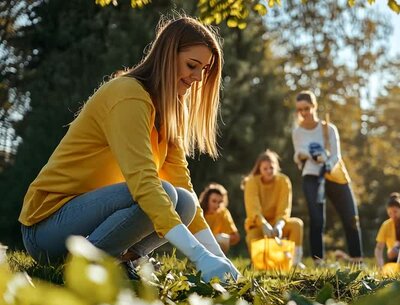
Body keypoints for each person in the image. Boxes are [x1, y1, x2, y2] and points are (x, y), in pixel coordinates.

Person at [18, 16, 239, 282]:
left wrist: (219, 259)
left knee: (186, 202)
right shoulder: (128, 95)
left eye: (204, 70)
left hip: (90, 225)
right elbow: (144, 183)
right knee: (164, 192)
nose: (197, 77)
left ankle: (119, 262)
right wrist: (199, 257)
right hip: (46, 228)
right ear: (167, 56)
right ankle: (86, 267)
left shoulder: (172, 108)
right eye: (192, 65)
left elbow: (182, 181)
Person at [292, 91, 363, 264]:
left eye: (306, 108)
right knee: (317, 219)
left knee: (351, 217)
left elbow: (337, 155)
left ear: (314, 106)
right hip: (311, 177)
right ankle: (318, 261)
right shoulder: (298, 132)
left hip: (334, 176)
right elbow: (298, 154)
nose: (303, 112)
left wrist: (327, 165)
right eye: (300, 109)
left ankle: (357, 259)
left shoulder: (328, 129)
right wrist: (309, 155)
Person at [242, 150, 304, 266]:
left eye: (271, 167)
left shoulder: (284, 181)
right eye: (265, 168)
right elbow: (253, 208)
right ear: (259, 169)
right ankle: (258, 261)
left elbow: (284, 207)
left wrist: (279, 224)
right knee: (251, 236)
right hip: (258, 225)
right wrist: (264, 224)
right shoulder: (251, 182)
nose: (269, 171)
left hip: (277, 223)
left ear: (276, 166)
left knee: (297, 225)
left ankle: (295, 261)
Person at [199, 183, 240, 253]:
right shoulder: (198, 211)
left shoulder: (223, 212)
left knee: (221, 239)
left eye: (220, 202)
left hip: (215, 247)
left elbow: (236, 237)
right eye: (214, 201)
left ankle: (218, 260)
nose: (217, 205)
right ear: (206, 200)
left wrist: (221, 238)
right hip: (199, 244)